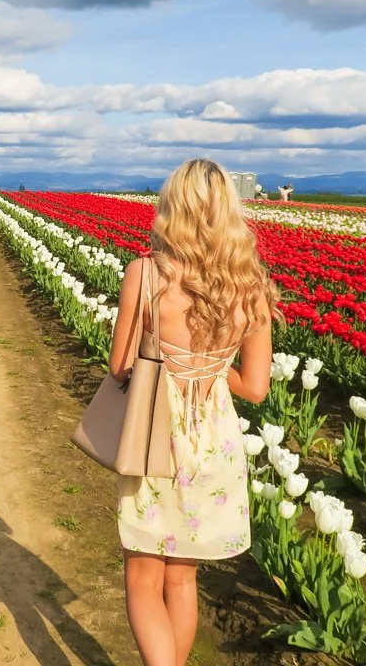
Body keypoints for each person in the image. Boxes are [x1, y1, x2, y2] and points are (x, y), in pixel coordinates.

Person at [111, 159, 276, 666]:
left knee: (143, 574)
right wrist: (211, 362)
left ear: (171, 208)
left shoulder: (146, 274)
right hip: (216, 441)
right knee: (182, 577)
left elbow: (119, 366)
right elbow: (255, 388)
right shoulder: (250, 286)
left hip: (156, 435)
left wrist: (171, 358)